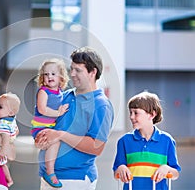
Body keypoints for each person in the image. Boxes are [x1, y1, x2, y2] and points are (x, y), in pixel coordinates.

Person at [35, 46, 115, 190]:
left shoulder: (101, 105)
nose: (72, 74)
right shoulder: (64, 96)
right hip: (48, 178)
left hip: (75, 180)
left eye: (78, 70)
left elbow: (96, 147)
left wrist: (60, 135)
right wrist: (42, 138)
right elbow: (47, 125)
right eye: (71, 69)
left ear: (93, 72)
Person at [113, 91, 181, 190]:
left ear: (152, 114)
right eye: (130, 112)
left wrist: (166, 168)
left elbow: (175, 174)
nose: (131, 117)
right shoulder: (124, 141)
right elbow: (116, 173)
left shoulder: (167, 141)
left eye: (136, 113)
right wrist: (121, 168)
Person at [31, 58, 70, 188]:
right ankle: (50, 172)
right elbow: (42, 109)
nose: (49, 77)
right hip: (41, 127)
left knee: (56, 142)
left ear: (61, 77)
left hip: (51, 127)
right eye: (46, 74)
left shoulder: (61, 93)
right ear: (42, 78)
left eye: (53, 74)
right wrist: (58, 113)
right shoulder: (43, 91)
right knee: (56, 141)